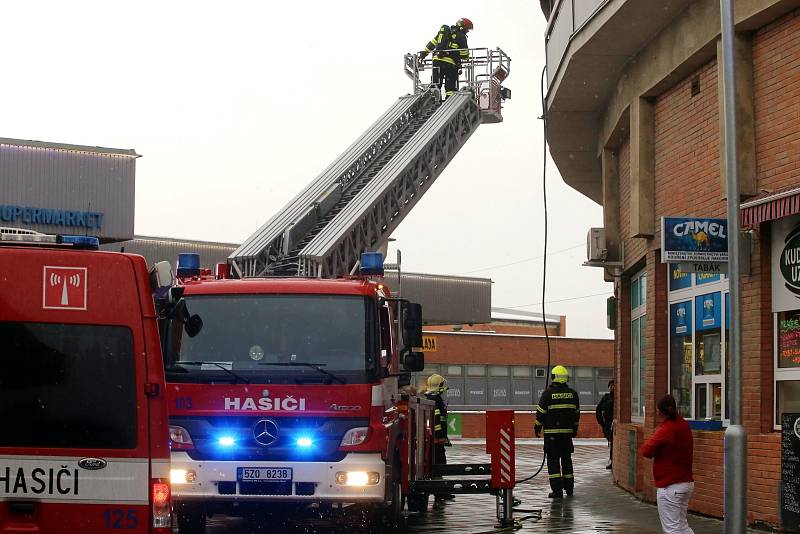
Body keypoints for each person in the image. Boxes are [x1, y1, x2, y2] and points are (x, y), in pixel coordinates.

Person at [641, 394, 695, 534]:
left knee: (672, 529)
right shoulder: (683, 424)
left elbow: (646, 450)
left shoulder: (666, 429)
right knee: (683, 526)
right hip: (686, 484)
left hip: (670, 486)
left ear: (660, 411)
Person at [534, 365, 580, 499]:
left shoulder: (547, 394)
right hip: (566, 436)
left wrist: (537, 428)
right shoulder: (573, 394)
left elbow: (540, 414)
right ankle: (569, 488)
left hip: (552, 437)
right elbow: (577, 415)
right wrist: (574, 430)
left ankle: (557, 491)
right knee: (567, 461)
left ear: (553, 377)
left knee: (553, 463)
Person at [418, 18, 473, 98]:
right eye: (467, 29)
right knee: (450, 88)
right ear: (462, 27)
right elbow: (464, 55)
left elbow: (431, 44)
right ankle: (449, 103)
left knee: (436, 84)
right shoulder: (461, 36)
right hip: (450, 65)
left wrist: (422, 55)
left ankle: (434, 100)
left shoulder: (443, 34)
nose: (467, 31)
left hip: (437, 62)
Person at [425, 373, 454, 502]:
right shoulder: (437, 401)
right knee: (439, 465)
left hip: (431, 440)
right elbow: (437, 421)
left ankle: (440, 491)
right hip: (436, 441)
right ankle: (440, 493)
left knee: (435, 465)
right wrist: (441, 437)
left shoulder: (427, 398)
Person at [595, 379, 615, 469]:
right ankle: (612, 461)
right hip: (607, 424)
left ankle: (613, 461)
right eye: (610, 386)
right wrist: (602, 423)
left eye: (614, 385)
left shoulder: (618, 398)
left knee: (613, 443)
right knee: (611, 443)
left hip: (614, 423)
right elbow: (598, 410)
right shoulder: (606, 397)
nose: (612, 387)